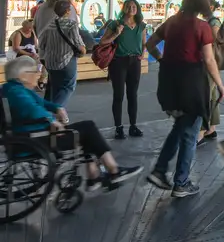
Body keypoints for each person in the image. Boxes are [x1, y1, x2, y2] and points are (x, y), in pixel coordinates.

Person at [3, 56, 141, 191]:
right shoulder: (16, 92)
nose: (38, 73)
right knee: (88, 128)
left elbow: (41, 103)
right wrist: (52, 120)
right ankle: (113, 170)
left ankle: (94, 177)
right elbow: (33, 110)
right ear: (23, 76)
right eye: (34, 71)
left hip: (32, 135)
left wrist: (56, 108)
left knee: (85, 132)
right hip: (37, 139)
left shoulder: (14, 89)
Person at [145, 0, 224, 198]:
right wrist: (220, 84)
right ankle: (180, 181)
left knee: (181, 125)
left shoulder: (171, 22)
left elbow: (150, 44)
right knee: (190, 133)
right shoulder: (202, 27)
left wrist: (163, 59)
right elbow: (209, 59)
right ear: (202, 5)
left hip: (169, 80)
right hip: (192, 81)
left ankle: (160, 170)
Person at [98, 0, 146, 140]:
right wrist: (116, 34)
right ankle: (119, 128)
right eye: (129, 6)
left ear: (137, 9)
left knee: (133, 95)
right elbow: (102, 41)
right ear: (124, 8)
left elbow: (144, 43)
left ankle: (133, 126)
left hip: (134, 62)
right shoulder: (115, 24)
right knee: (118, 95)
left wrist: (142, 54)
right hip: (119, 62)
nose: (131, 9)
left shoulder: (141, 26)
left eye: (134, 6)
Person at [38, 0, 85, 109]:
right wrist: (82, 51)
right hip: (66, 61)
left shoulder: (50, 25)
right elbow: (78, 43)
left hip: (50, 62)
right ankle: (56, 112)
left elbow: (42, 44)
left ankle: (47, 113)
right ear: (68, 11)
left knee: (55, 87)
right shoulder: (71, 24)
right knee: (68, 87)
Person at [198, 0, 222, 145]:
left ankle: (201, 132)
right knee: (211, 96)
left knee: (204, 96)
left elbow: (214, 41)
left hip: (209, 63)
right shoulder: (209, 22)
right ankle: (211, 129)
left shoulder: (213, 23)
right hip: (209, 63)